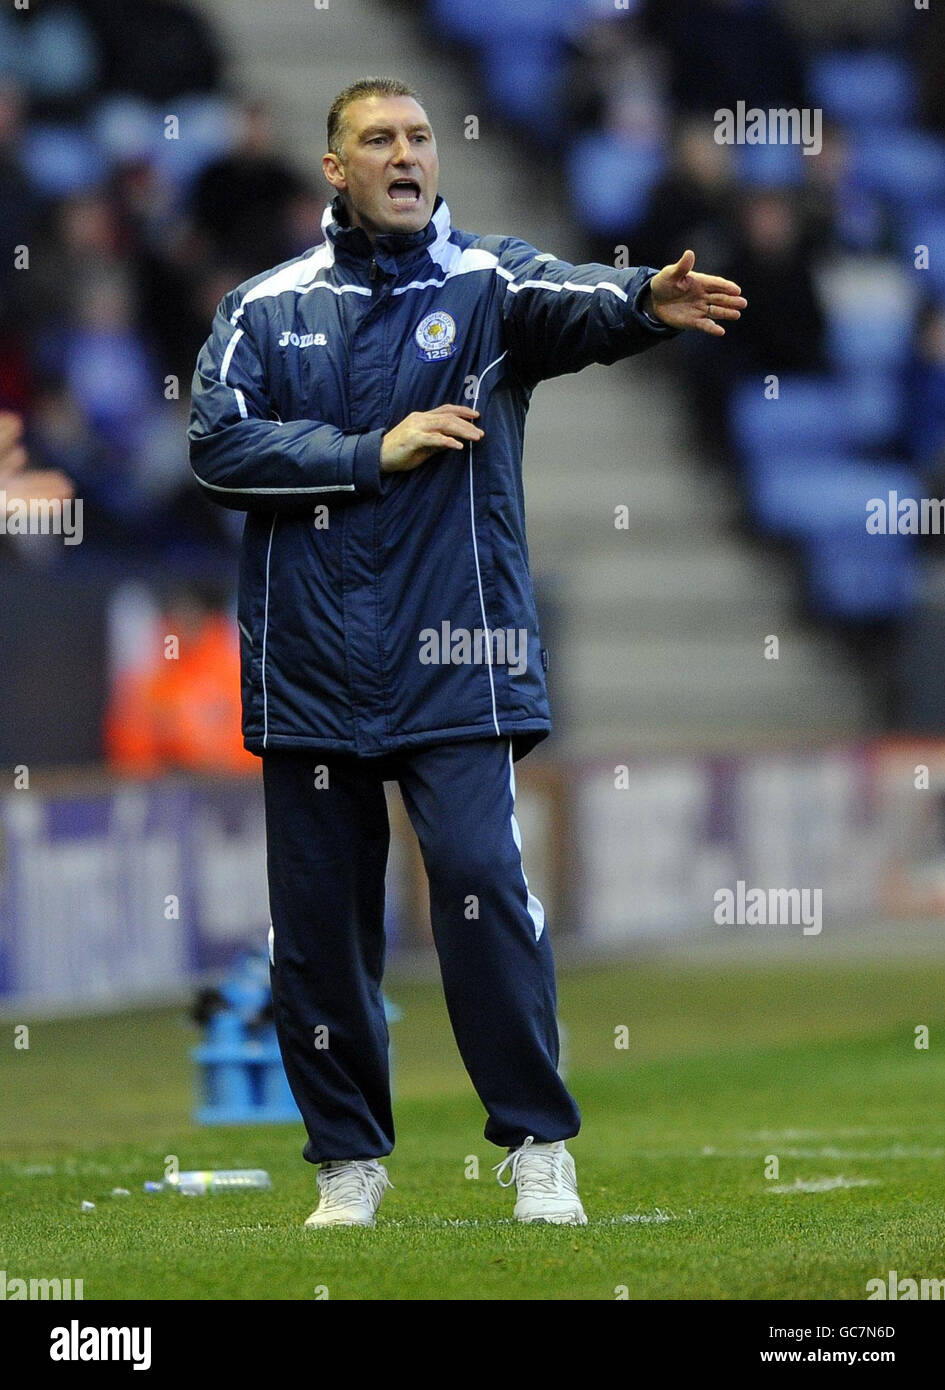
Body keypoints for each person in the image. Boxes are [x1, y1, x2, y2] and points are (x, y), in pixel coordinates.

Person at [187, 77, 745, 1228]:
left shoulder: (489, 283)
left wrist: (645, 297)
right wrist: (367, 450)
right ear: (333, 168)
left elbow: (579, 302)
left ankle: (539, 1145)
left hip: (459, 657)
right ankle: (349, 1162)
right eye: (378, 140)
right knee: (320, 926)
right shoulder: (263, 308)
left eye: (421, 137)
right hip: (310, 667)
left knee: (485, 883)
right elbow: (217, 446)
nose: (406, 155)